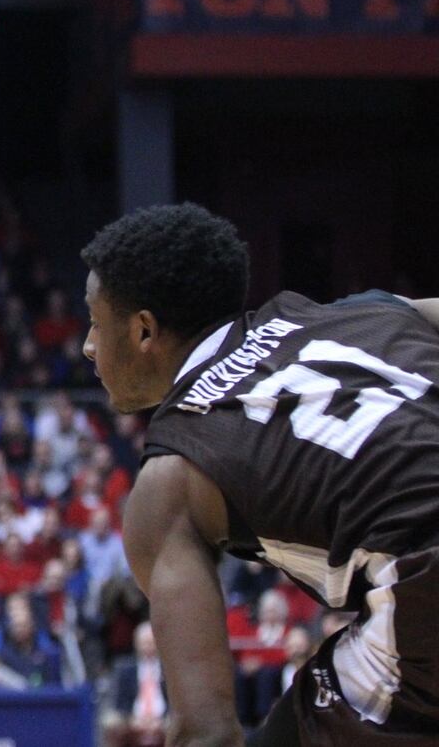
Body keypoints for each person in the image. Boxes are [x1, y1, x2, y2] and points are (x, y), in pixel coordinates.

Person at [81, 202, 439, 744]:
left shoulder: (170, 477)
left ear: (144, 331)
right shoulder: (361, 311)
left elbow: (208, 733)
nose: (87, 345)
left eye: (95, 322)